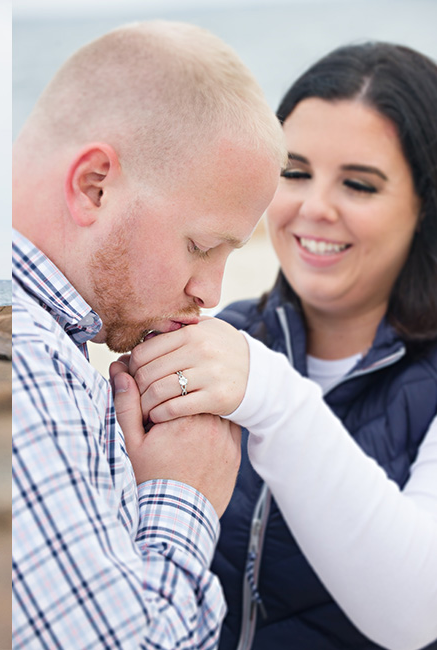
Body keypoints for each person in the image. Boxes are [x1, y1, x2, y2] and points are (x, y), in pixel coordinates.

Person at [123, 42, 437, 650]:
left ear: (423, 209)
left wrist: (273, 397)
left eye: (360, 185)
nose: (314, 208)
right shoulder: (212, 338)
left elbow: (419, 611)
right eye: (294, 173)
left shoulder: (248, 371)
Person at [12, 21, 286, 648]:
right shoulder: (28, 362)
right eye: (200, 246)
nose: (211, 293)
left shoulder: (50, 341)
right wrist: (181, 494)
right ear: (94, 186)